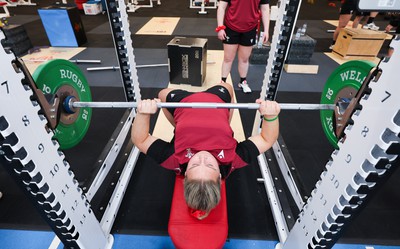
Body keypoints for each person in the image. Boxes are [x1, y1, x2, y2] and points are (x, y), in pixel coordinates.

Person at [131, 81, 280, 220]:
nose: (202, 158)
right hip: (216, 99)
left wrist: (144, 114)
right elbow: (267, 139)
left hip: (183, 103)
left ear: (186, 174)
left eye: (195, 165)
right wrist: (271, 116)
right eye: (210, 165)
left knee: (162, 94)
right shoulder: (233, 159)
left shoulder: (173, 159)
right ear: (220, 176)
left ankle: (178, 122)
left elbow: (141, 140)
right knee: (227, 86)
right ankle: (224, 118)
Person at [216, 0, 270, 93]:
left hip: (250, 28)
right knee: (228, 58)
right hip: (231, 27)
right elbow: (221, 7)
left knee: (244, 59)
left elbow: (265, 9)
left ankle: (242, 81)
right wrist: (220, 27)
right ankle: (223, 83)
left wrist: (266, 30)